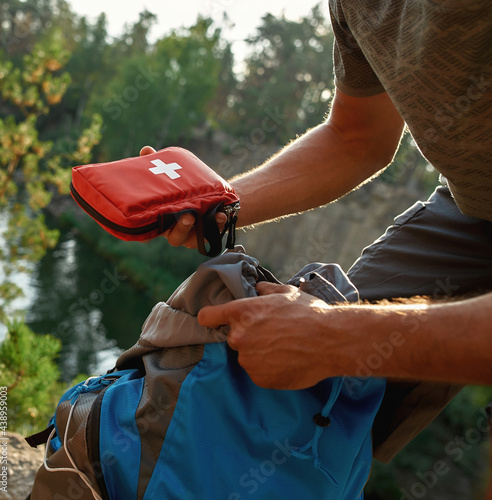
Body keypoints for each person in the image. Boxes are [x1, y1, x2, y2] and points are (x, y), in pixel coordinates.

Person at [140, 0, 492, 458]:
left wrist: (335, 335)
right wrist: (219, 204)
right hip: (474, 205)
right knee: (309, 395)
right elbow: (356, 138)